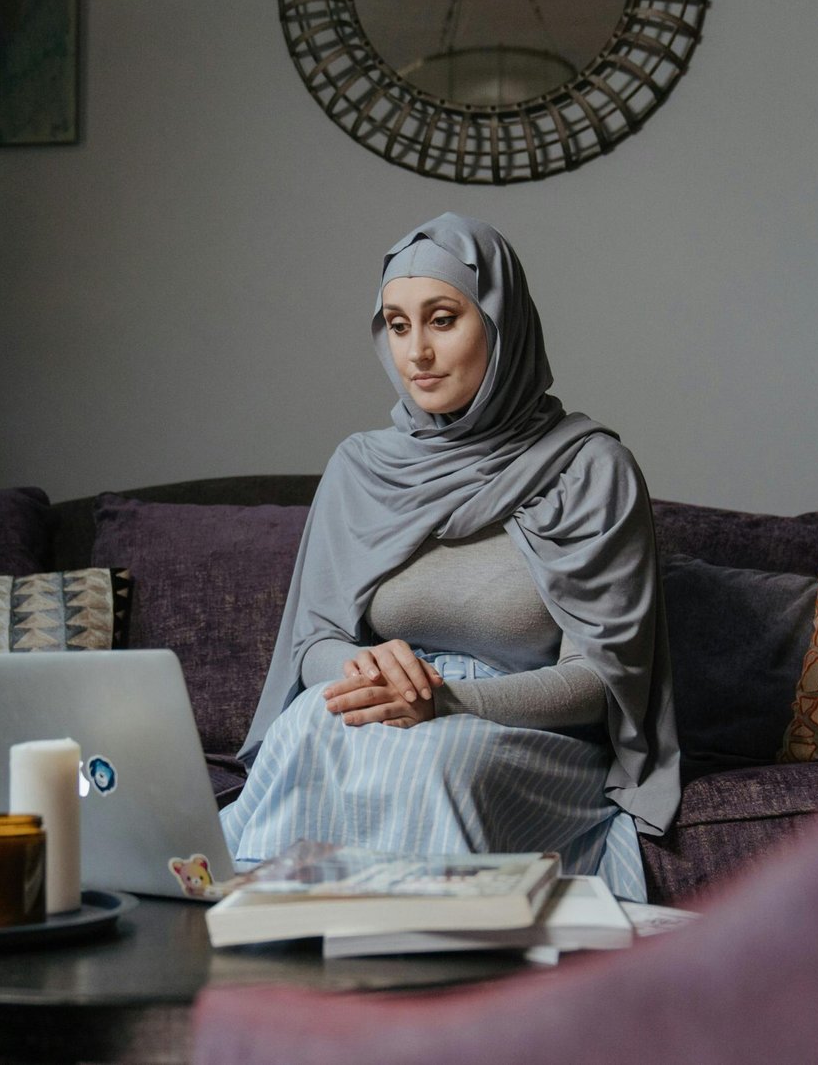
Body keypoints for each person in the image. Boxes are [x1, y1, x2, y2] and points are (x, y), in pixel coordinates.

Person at [218, 213, 679, 901]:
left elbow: (602, 680)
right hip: (388, 712)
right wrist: (366, 668)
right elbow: (314, 641)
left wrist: (446, 700)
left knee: (443, 761)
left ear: (499, 324)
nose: (417, 354)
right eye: (398, 327)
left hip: (523, 734)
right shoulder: (361, 468)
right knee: (307, 726)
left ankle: (437, 979)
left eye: (442, 319)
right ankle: (279, 977)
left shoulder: (591, 469)